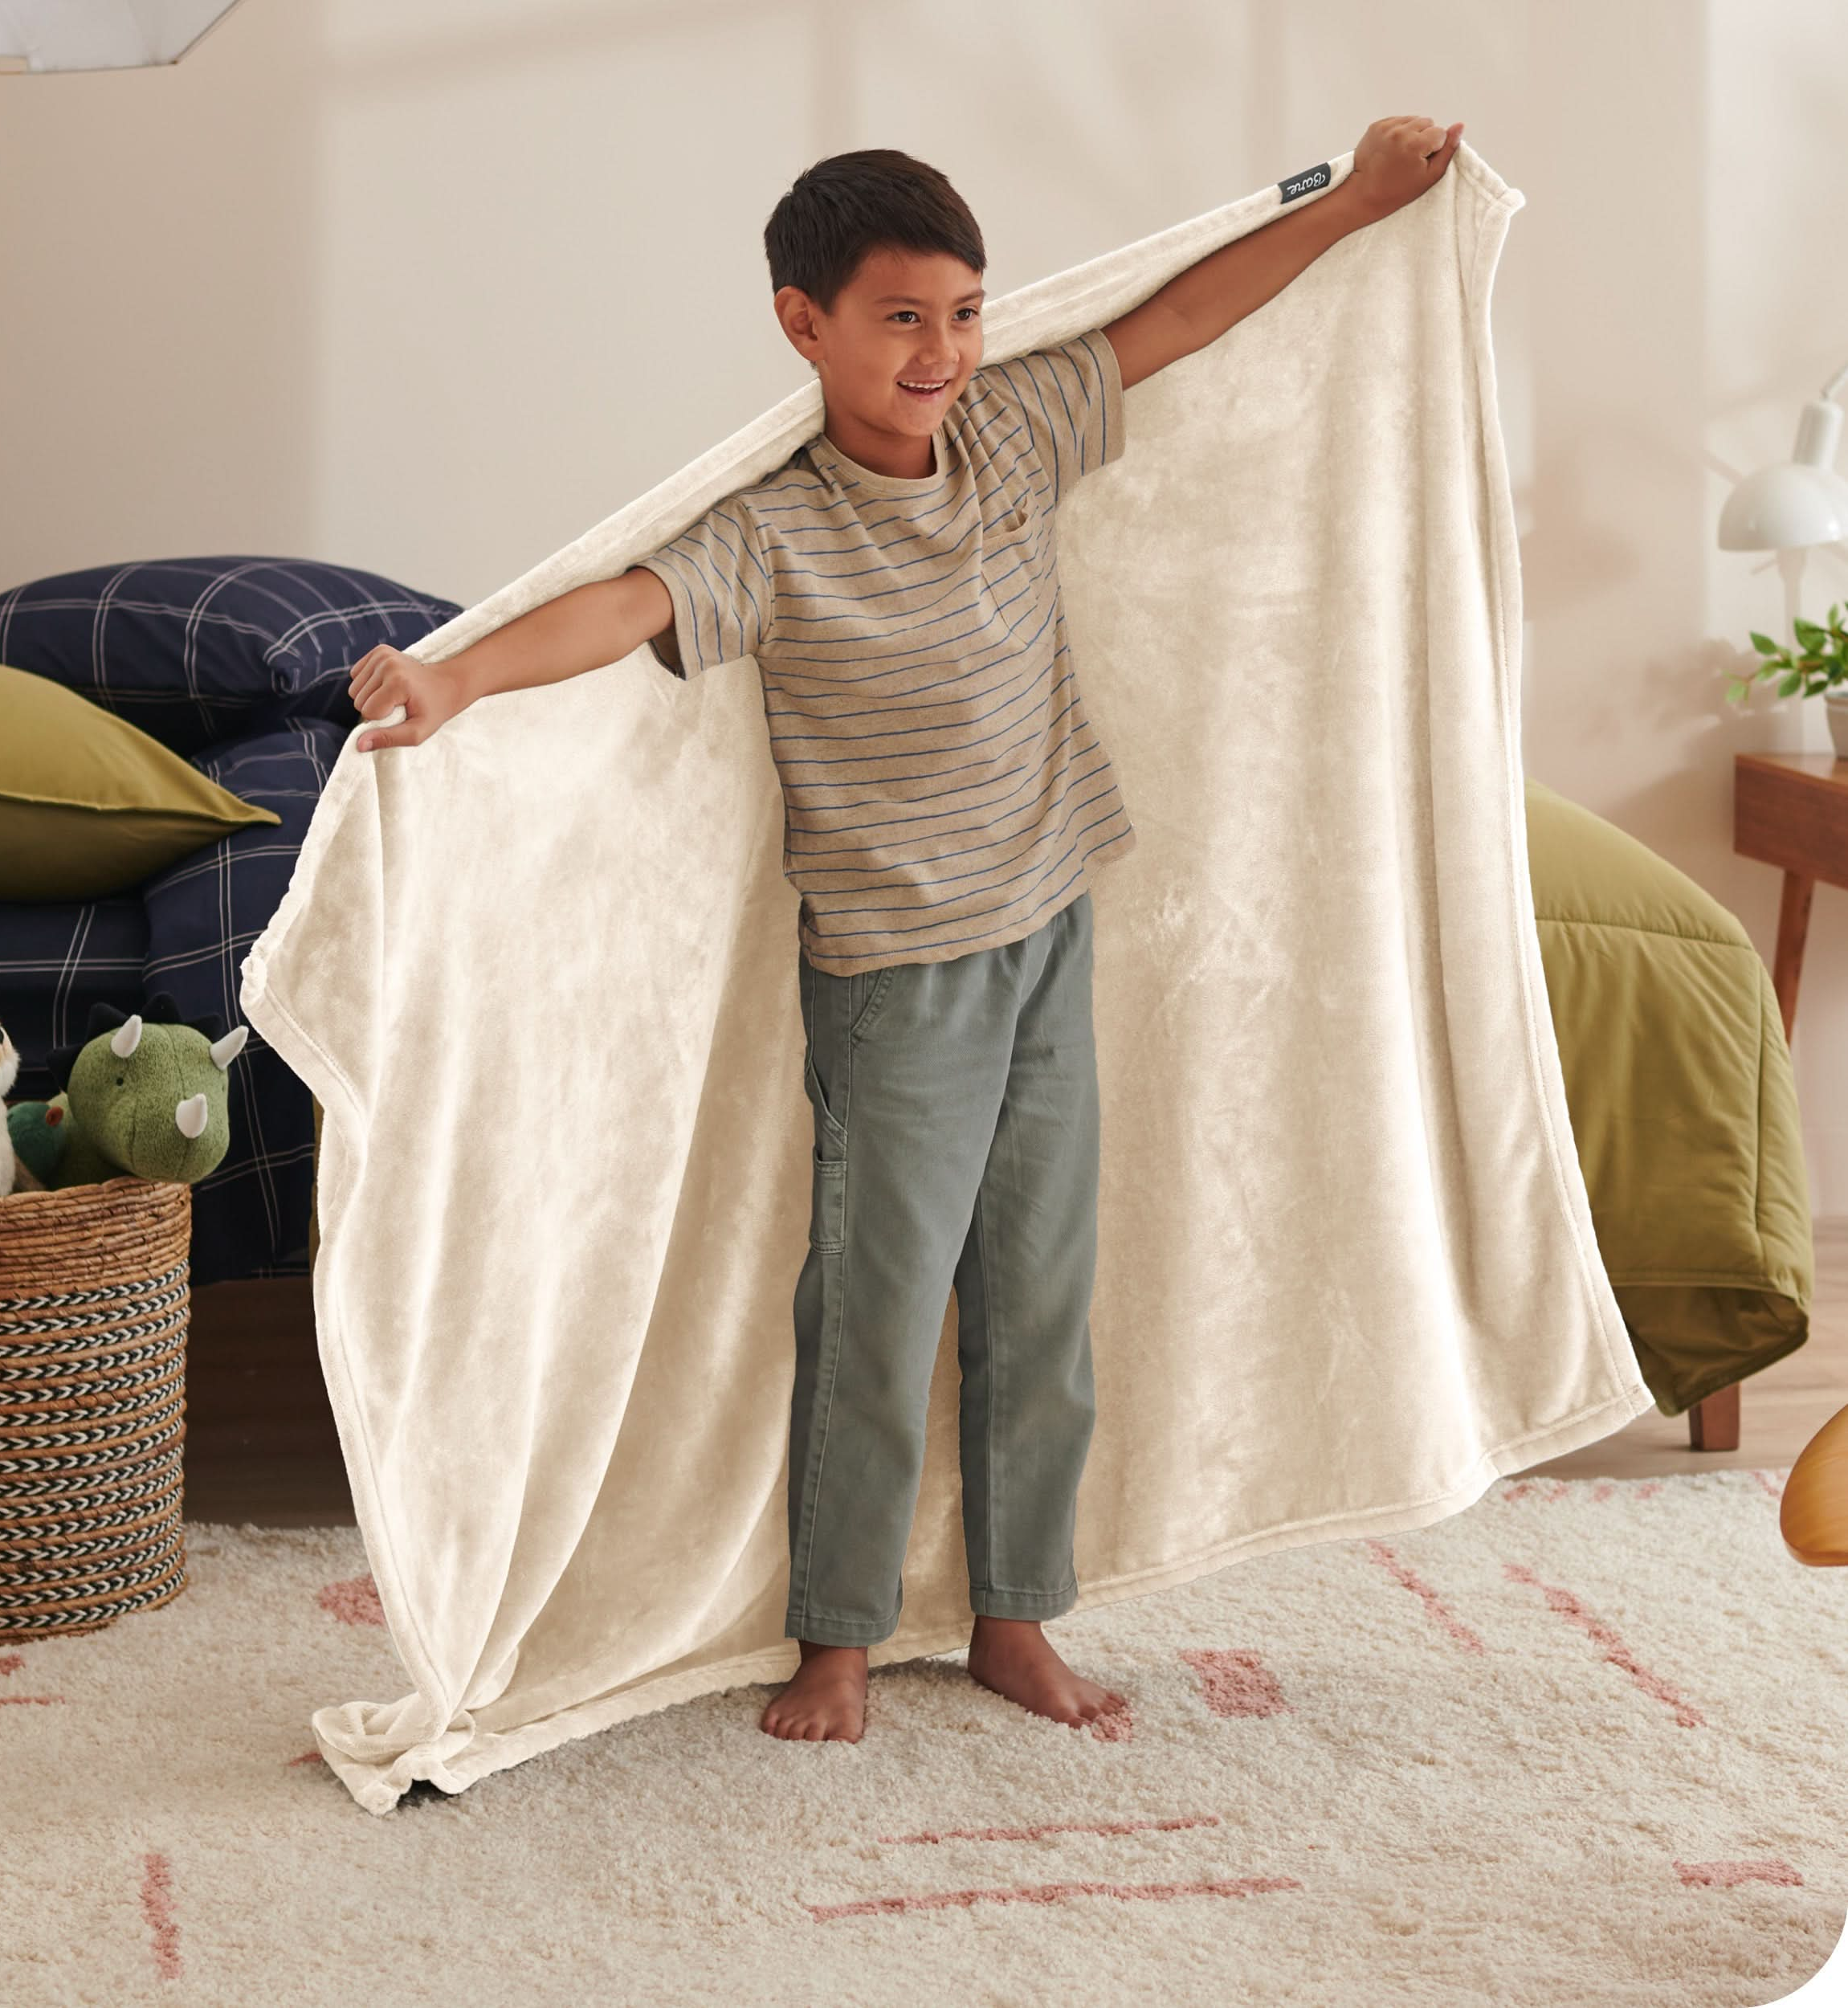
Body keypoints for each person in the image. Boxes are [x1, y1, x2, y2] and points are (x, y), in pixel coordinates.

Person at [346, 115, 1463, 1745]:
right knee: (875, 1309)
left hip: (1047, 925)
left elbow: (1172, 318)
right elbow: (620, 606)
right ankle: (838, 1638)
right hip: (893, 976)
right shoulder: (775, 532)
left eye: (961, 311)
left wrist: (1358, 202)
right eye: (897, 318)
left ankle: (1015, 1613)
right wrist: (451, 680)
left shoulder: (1012, 432)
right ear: (803, 325)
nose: (938, 352)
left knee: (1039, 1294)